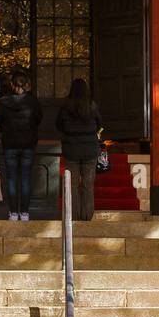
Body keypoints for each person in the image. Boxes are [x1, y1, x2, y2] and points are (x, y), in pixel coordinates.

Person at [0, 70, 43, 221]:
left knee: (11, 178)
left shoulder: (3, 102)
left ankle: (13, 212)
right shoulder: (33, 102)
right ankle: (25, 212)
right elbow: (38, 118)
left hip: (10, 143)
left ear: (12, 84)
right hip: (28, 142)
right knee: (25, 178)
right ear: (26, 84)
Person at [56, 78, 103, 222]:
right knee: (88, 185)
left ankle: (73, 216)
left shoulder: (65, 106)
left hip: (71, 150)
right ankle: (87, 216)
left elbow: (59, 125)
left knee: (73, 185)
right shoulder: (92, 106)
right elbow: (99, 124)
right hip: (89, 150)